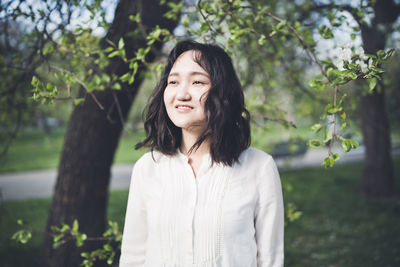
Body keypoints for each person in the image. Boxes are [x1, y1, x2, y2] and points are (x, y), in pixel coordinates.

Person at [119, 40, 284, 267]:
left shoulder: (259, 167)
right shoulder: (147, 168)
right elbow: (132, 257)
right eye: (173, 81)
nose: (182, 94)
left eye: (197, 81)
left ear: (223, 92)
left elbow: (270, 260)